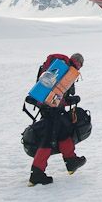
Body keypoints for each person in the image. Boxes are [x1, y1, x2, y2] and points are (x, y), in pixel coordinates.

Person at [29, 53, 87, 186]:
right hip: (51, 110)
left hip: (50, 108)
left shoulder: (59, 68)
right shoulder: (66, 72)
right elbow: (56, 97)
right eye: (80, 65)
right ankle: (36, 174)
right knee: (47, 140)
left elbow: (55, 95)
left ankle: (71, 161)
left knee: (63, 133)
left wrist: (68, 101)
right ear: (79, 63)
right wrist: (70, 100)